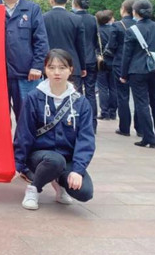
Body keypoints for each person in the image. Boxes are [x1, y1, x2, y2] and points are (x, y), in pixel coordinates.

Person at [13, 49, 95, 210]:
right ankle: (34, 189)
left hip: (67, 158)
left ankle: (59, 181)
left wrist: (78, 170)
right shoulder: (34, 97)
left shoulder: (81, 102)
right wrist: (18, 164)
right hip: (39, 156)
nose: (57, 72)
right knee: (54, 161)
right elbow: (24, 133)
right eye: (51, 67)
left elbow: (86, 139)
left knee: (85, 192)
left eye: (62, 68)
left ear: (70, 70)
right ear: (45, 69)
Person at [0, 0, 49, 122]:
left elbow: (41, 41)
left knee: (27, 117)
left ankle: (25, 140)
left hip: (26, 74)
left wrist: (37, 66)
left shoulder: (32, 9)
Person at [120, 0, 155, 148]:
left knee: (142, 103)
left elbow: (127, 54)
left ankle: (148, 137)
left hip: (137, 70)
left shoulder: (132, 30)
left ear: (135, 12)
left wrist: (123, 74)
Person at [103, 0, 136, 137]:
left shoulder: (117, 25)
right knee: (140, 97)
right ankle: (141, 128)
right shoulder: (138, 24)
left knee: (122, 96)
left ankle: (124, 127)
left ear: (123, 9)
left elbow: (111, 46)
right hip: (137, 64)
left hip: (120, 63)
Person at [43, 0, 86, 90]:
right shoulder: (76, 19)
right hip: (72, 65)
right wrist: (82, 66)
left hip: (50, 65)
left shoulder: (42, 18)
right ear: (67, 0)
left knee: (52, 94)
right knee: (73, 96)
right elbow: (81, 46)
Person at [72, 0, 99, 131]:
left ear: (75, 3)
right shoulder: (93, 19)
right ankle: (92, 123)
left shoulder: (72, 18)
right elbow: (95, 40)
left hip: (77, 59)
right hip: (91, 58)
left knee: (76, 92)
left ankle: (79, 121)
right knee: (90, 92)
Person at [95, 10, 118, 120]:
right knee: (113, 87)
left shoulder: (97, 31)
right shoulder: (115, 29)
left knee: (102, 87)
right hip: (114, 60)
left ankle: (104, 112)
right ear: (109, 19)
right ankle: (113, 112)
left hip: (101, 61)